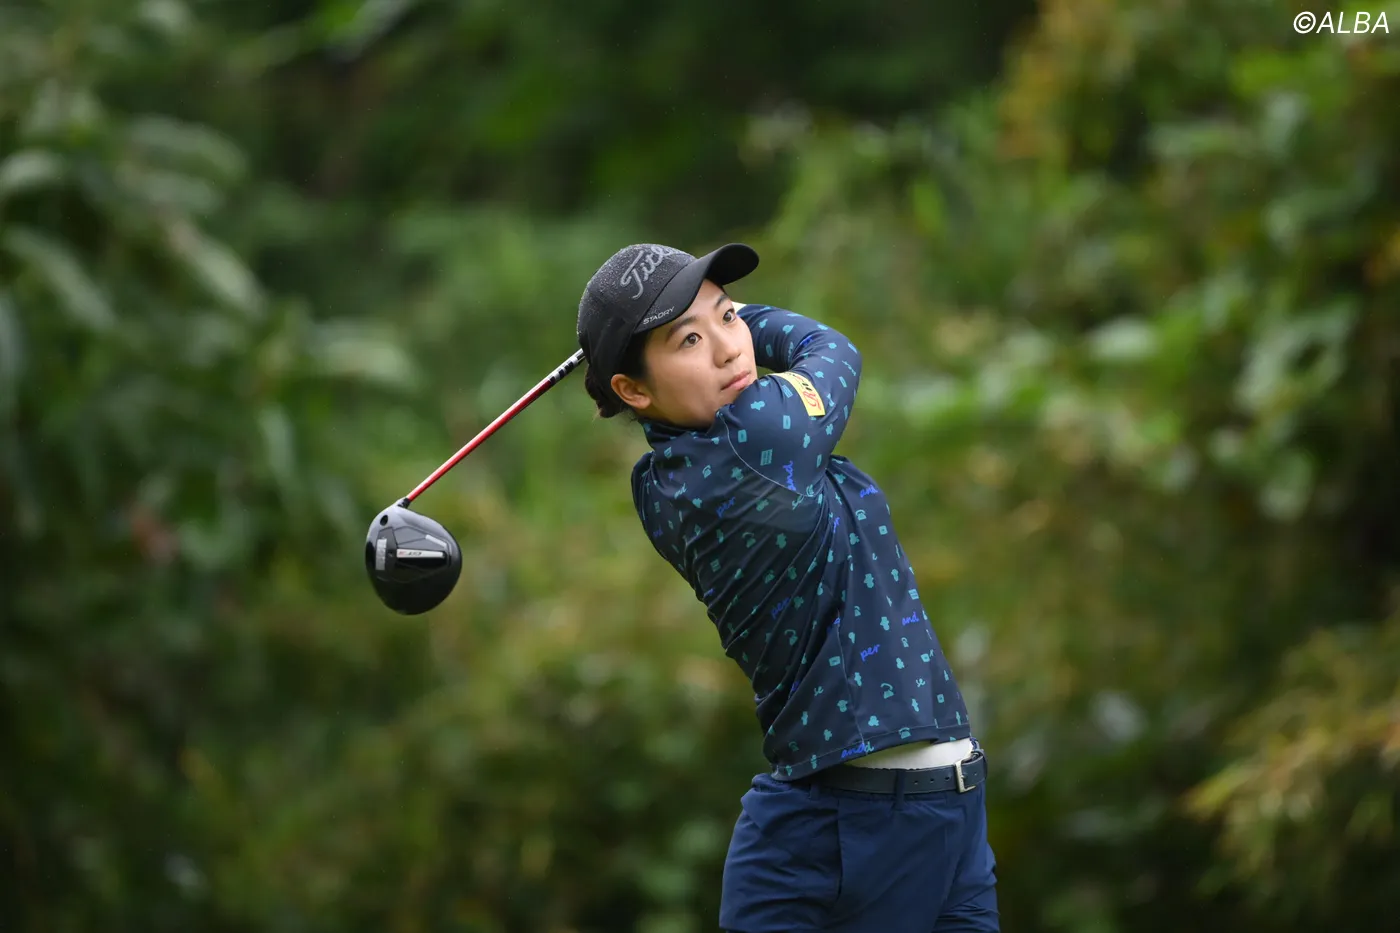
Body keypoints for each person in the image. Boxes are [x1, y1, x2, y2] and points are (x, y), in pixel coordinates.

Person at [576, 242, 999, 933]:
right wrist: (740, 313)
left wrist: (691, 321)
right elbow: (830, 349)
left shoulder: (661, 481)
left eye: (727, 318)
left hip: (941, 810)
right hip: (845, 832)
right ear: (632, 390)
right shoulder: (752, 439)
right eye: (689, 341)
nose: (729, 350)